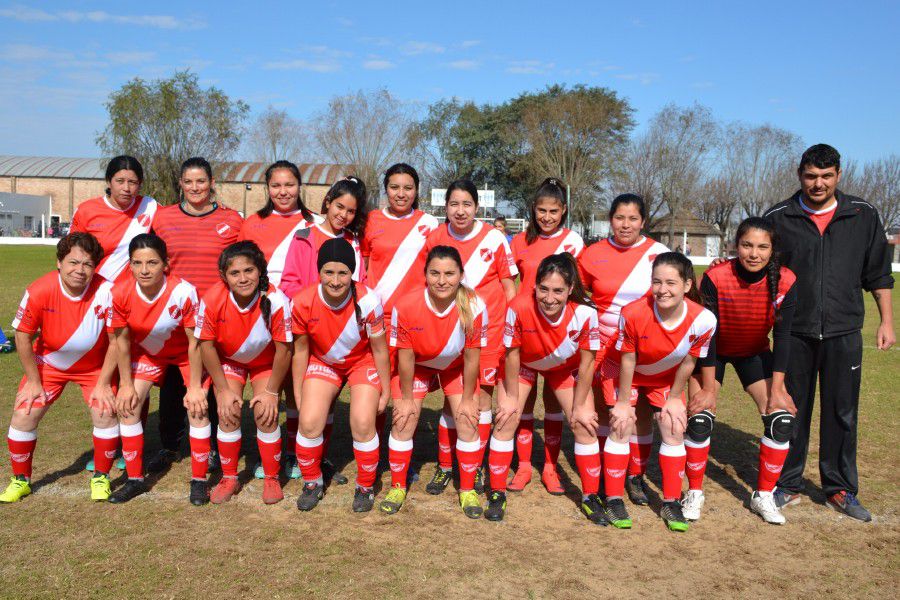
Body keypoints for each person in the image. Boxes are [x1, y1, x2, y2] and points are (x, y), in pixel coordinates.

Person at [764, 144, 894, 521]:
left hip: (844, 330)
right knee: (791, 409)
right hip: (795, 333)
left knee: (842, 412)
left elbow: (878, 273)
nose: (818, 184)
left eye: (826, 176)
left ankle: (839, 488)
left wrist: (887, 321)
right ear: (799, 175)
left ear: (838, 175)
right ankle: (786, 484)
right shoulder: (779, 217)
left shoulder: (863, 214)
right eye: (810, 176)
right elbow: (765, 276)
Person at [579, 252, 716, 532]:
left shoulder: (704, 320)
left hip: (664, 376)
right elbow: (627, 359)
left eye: (670, 282)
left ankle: (670, 501)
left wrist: (676, 398)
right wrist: (622, 402)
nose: (662, 289)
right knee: (622, 423)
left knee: (674, 424)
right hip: (623, 370)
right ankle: (614, 498)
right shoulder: (633, 312)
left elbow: (690, 360)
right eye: (656, 282)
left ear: (687, 285)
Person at [679, 218, 797, 524]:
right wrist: (708, 389)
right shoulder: (717, 275)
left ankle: (764, 495)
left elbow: (783, 336)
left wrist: (779, 388)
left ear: (773, 250)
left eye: (762, 246)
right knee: (700, 418)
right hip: (712, 353)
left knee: (781, 420)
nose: (754, 253)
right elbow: (710, 333)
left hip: (754, 353)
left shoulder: (786, 280)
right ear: (735, 246)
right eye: (747, 245)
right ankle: (693, 492)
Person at [1, 233, 119, 503]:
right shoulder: (39, 290)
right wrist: (33, 380)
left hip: (94, 368)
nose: (80, 270)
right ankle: (20, 480)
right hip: (49, 365)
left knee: (106, 414)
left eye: (88, 264)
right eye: (73, 262)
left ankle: (101, 476)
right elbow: (22, 336)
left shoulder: (107, 292)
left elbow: (117, 340)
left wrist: (103, 382)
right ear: (59, 262)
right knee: (24, 415)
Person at [486, 254, 602, 523]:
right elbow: (512, 354)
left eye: (558, 291)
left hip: (563, 368)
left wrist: (580, 406)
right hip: (524, 363)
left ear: (570, 289)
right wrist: (511, 399)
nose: (550, 298)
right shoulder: (518, 307)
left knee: (584, 424)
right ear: (534, 286)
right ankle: (496, 493)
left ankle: (590, 497)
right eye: (544, 289)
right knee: (506, 419)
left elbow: (587, 365)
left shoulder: (585, 313)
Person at [423, 180, 517, 496]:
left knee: (480, 400)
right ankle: (445, 465)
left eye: (466, 204)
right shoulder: (435, 237)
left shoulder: (494, 237)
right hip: (449, 333)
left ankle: (473, 466)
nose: (460, 211)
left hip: (487, 333)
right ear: (445, 207)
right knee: (451, 403)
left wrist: (512, 328)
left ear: (477, 207)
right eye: (454, 204)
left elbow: (508, 286)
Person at [150, 157, 243, 474]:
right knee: (175, 381)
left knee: (215, 380)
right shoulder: (162, 218)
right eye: (188, 182)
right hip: (176, 316)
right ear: (180, 183)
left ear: (212, 182)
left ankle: (216, 446)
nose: (194, 187)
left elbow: (240, 264)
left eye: (201, 181)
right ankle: (170, 445)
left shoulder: (232, 220)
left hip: (217, 314)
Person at [381, 246, 487, 517]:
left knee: (466, 420)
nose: (442, 280)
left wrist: (466, 399)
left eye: (450, 273)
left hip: (454, 367)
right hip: (416, 367)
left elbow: (473, 357)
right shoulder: (405, 305)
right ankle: (397, 486)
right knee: (404, 420)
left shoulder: (474, 304)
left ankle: (467, 490)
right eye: (435, 273)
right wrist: (405, 400)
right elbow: (404, 357)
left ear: (461, 274)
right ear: (425, 274)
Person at [578, 193, 669, 506]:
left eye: (633, 218)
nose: (625, 224)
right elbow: (577, 292)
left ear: (643, 221)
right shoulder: (592, 253)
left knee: (641, 410)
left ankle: (635, 475)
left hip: (645, 344)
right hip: (604, 344)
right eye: (619, 218)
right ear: (610, 219)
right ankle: (607, 471)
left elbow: (676, 292)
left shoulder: (659, 253)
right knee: (610, 409)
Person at [106, 234, 209, 505]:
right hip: (149, 356)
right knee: (128, 407)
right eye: (137, 263)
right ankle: (135, 480)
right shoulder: (119, 292)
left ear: (165, 263)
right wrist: (126, 384)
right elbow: (122, 342)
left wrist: (195, 387)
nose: (144, 270)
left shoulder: (184, 291)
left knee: (197, 409)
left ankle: (199, 482)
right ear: (129, 265)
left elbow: (194, 342)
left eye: (152, 262)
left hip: (187, 356)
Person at [290, 239, 391, 513]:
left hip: (363, 361)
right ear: (319, 272)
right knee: (309, 422)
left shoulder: (368, 300)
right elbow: (300, 351)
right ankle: (312, 483)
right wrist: (299, 391)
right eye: (329, 272)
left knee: (361, 421)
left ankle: (365, 486)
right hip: (325, 362)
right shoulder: (301, 302)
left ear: (353, 274)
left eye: (343, 273)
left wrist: (386, 389)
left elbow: (380, 349)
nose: (335, 281)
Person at [239, 160, 322, 481]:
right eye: (276, 185)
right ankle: (275, 454)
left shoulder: (315, 223)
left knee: (297, 387)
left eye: (289, 185)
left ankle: (298, 452)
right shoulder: (251, 223)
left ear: (299, 186)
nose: (283, 191)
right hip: (262, 319)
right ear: (267, 188)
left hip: (303, 316)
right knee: (273, 381)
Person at [196, 241, 293, 505]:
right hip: (230, 362)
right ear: (224, 276)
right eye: (234, 273)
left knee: (266, 413)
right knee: (228, 413)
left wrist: (272, 392)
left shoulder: (275, 299)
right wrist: (224, 391)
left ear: (260, 270)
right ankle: (229, 477)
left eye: (249, 270)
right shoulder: (213, 298)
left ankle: (271, 477)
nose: (242, 278)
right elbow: (206, 346)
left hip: (265, 363)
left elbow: (284, 351)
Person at [507, 177, 585, 494]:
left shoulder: (574, 242)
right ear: (533, 210)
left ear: (563, 210)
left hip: (557, 338)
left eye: (553, 211)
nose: (547, 217)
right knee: (523, 405)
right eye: (542, 210)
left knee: (553, 406)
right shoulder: (518, 242)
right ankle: (524, 467)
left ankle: (550, 468)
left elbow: (578, 289)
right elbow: (508, 284)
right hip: (525, 335)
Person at [361, 163, 438, 320]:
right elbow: (363, 268)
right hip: (376, 313)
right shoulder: (371, 220)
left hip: (415, 313)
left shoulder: (429, 223)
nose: (401, 194)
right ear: (386, 189)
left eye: (408, 188)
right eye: (394, 187)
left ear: (416, 191)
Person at [71, 155, 158, 285]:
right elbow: (70, 254)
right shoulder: (86, 211)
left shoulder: (151, 207)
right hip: (96, 291)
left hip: (135, 293)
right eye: (120, 181)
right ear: (108, 181)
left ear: (140, 184)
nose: (126, 188)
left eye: (132, 182)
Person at [281, 175, 369, 295]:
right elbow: (289, 283)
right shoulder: (304, 238)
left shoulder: (354, 242)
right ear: (328, 203)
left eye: (350, 211)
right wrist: (311, 304)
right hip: (309, 311)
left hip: (346, 312)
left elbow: (362, 281)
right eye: (339, 206)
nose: (343, 215)